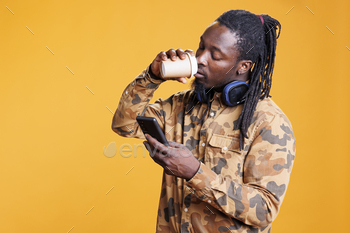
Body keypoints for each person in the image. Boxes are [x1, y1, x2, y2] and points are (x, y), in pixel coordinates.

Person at [112, 9, 296, 233]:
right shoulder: (181, 104)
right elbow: (125, 125)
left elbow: (264, 209)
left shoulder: (268, 121)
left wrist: (195, 173)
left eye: (215, 55)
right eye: (201, 47)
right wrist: (152, 76)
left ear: (243, 66)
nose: (200, 59)